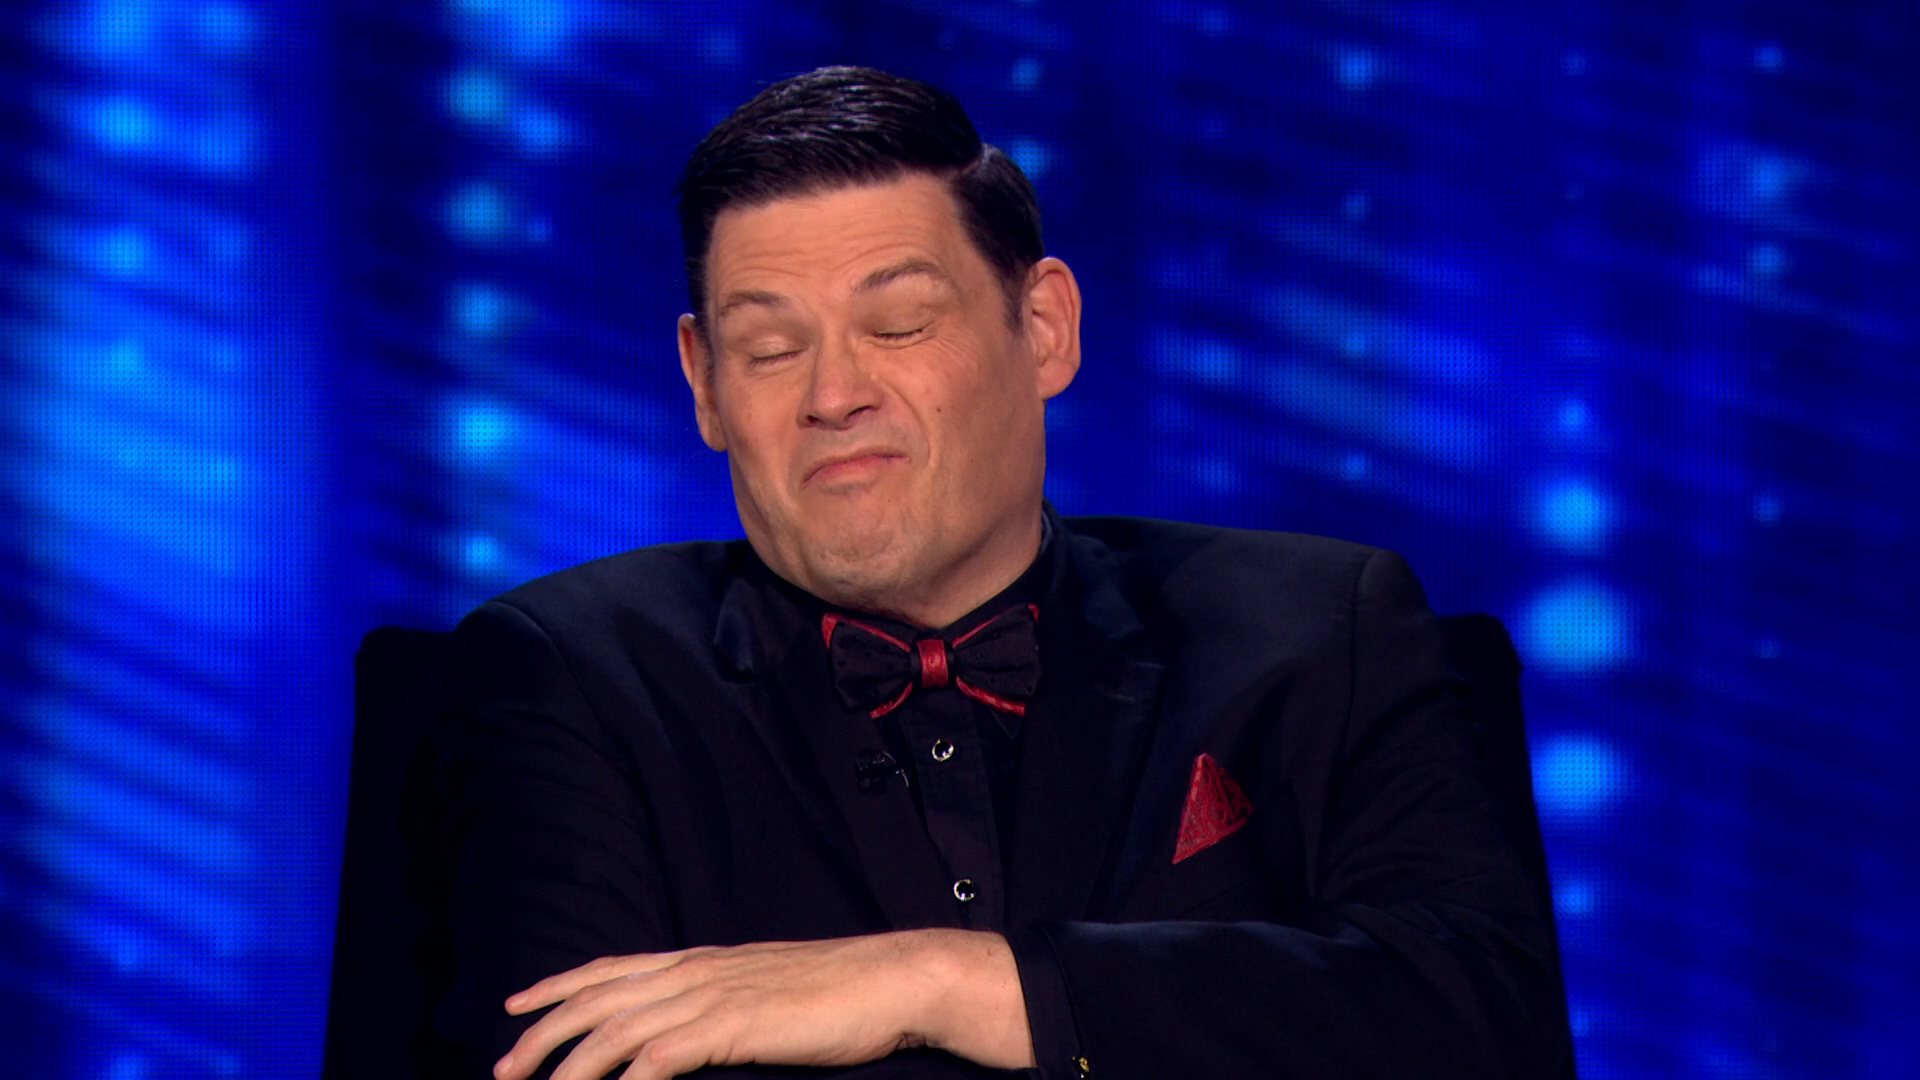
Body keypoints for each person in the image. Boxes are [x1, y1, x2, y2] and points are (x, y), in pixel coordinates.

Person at [427, 66, 1573, 1080]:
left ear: (1045, 328)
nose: (834, 395)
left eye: (899, 325)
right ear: (706, 384)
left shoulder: (1320, 632)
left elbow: (1478, 1025)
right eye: (770, 348)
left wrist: (953, 985)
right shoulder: (568, 678)